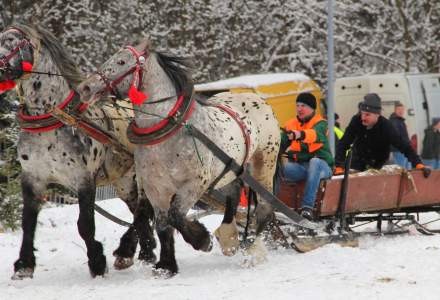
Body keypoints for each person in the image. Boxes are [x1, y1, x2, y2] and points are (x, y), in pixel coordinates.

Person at [334, 93, 430, 177]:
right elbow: (344, 143)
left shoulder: (386, 126)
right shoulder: (356, 121)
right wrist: (339, 166)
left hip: (379, 166)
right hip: (357, 163)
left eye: (367, 115)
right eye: (362, 114)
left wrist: (418, 163)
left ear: (377, 115)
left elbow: (404, 146)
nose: (363, 118)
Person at [280, 93, 334, 221]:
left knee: (315, 162)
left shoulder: (321, 123)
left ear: (312, 108)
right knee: (279, 168)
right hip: (302, 168)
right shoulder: (291, 124)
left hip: (322, 167)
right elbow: (279, 145)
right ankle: (270, 205)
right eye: (297, 105)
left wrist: (300, 134)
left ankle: (307, 208)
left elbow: (316, 134)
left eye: (303, 105)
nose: (299, 109)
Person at [389, 102, 410, 168]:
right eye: (399, 109)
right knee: (401, 169)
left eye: (402, 109)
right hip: (399, 150)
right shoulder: (394, 121)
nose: (401, 111)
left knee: (406, 169)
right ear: (395, 110)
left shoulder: (400, 120)